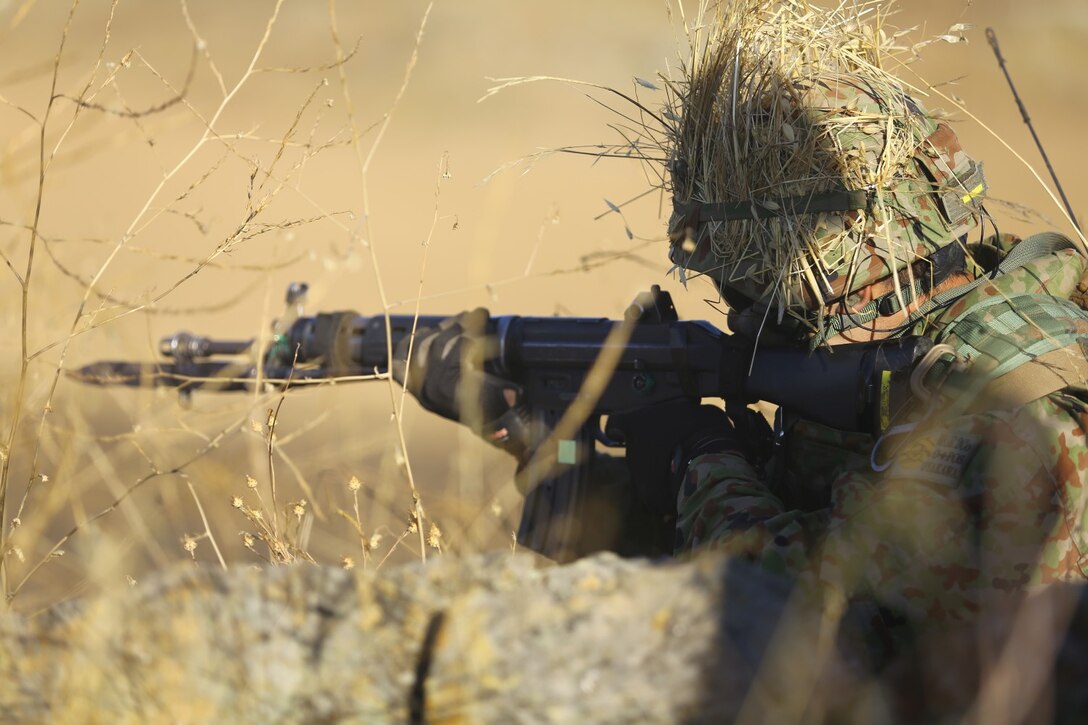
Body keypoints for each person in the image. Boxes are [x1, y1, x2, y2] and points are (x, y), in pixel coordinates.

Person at [395, 0, 1088, 629]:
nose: (748, 327)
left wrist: (699, 457)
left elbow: (809, 619)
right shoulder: (906, 370)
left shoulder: (1018, 416)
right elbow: (769, 528)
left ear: (853, 271)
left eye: (770, 302)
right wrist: (546, 446)